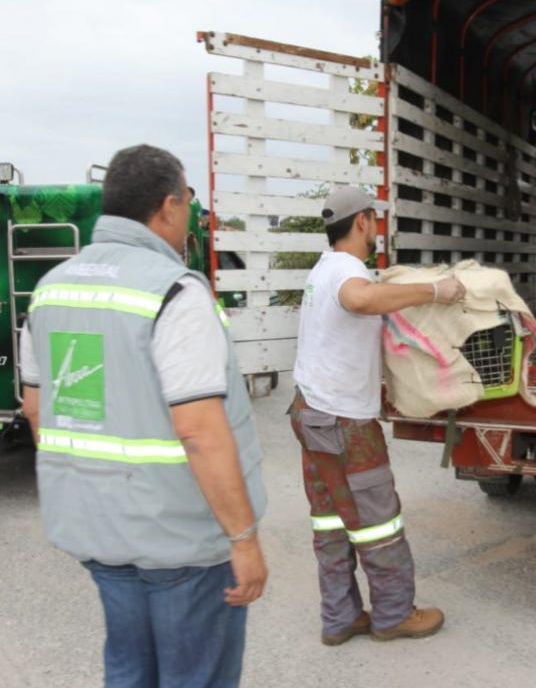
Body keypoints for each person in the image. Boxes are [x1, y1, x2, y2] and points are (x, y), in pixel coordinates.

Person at [19, 144, 268, 687]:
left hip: (96, 529)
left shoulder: (49, 289)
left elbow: (37, 409)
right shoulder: (174, 292)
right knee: (195, 676)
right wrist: (243, 538)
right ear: (169, 206)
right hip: (181, 536)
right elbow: (200, 430)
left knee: (130, 669)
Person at [289, 186, 465, 645]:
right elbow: (360, 300)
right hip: (343, 421)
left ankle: (340, 616)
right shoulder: (348, 271)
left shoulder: (324, 267)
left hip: (311, 412)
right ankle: (393, 614)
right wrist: (434, 290)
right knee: (377, 517)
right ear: (363, 220)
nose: (377, 228)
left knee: (330, 520)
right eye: (374, 219)